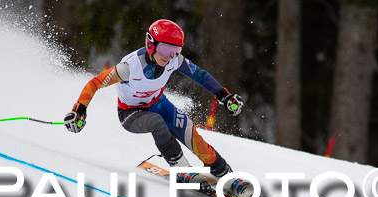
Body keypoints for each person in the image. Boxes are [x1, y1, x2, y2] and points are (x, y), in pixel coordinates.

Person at [64, 19, 244, 182]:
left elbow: (200, 75)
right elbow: (95, 83)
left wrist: (224, 95)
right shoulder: (129, 67)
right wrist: (79, 110)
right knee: (157, 123)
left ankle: (224, 172)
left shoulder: (174, 60)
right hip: (130, 113)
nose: (170, 56)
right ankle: (181, 170)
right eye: (165, 49)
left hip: (158, 104)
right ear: (151, 44)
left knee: (190, 133)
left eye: (176, 51)